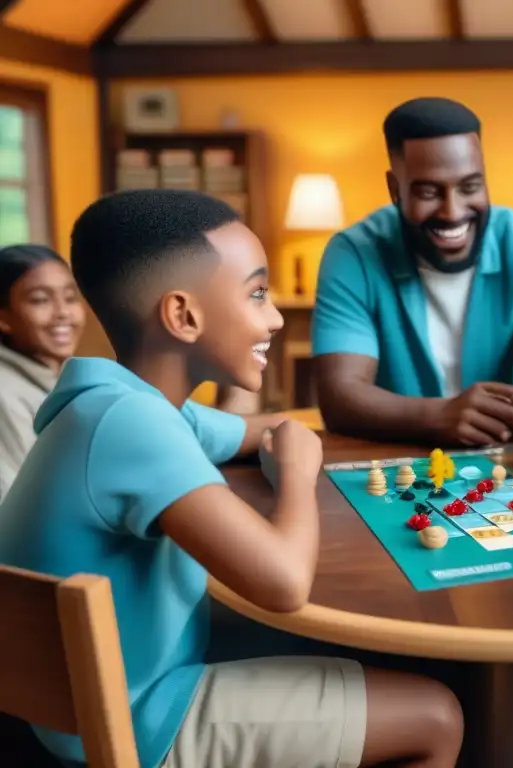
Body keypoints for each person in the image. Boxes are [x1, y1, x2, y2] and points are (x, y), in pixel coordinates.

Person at [0, 189, 464, 768]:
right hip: (132, 716)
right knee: (436, 716)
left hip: (105, 689)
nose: (274, 316)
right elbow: (285, 584)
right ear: (183, 316)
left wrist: (285, 439)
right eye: (257, 293)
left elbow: (257, 431)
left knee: (384, 656)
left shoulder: (121, 401)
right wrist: (295, 473)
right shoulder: (133, 424)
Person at [312, 97, 513, 447]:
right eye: (429, 191)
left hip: (503, 457)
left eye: (470, 187)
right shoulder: (352, 254)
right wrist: (440, 416)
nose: (453, 212)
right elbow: (340, 397)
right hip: (395, 460)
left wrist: (491, 409)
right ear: (395, 190)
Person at [0, 244, 85, 499]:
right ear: (3, 317)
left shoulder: (64, 381)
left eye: (71, 298)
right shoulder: (6, 393)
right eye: (40, 300)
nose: (63, 313)